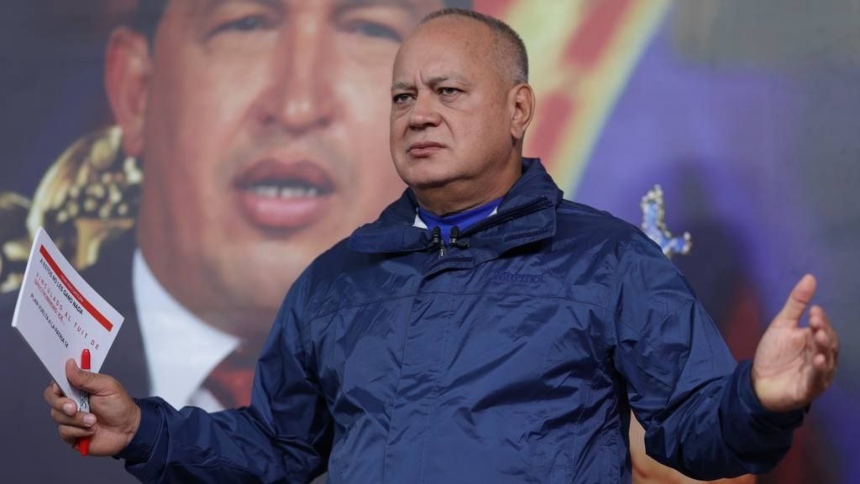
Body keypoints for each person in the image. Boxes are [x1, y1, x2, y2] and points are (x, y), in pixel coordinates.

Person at [44, 8, 839, 483]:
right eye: (403, 96)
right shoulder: (337, 278)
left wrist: (758, 396)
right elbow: (277, 449)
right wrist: (144, 431)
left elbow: (693, 434)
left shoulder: (610, 262)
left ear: (519, 109)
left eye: (448, 92)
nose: (418, 113)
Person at [1, 0, 465, 482]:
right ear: (136, 91)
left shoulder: (486, 370)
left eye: (370, 29)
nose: (297, 107)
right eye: (246, 23)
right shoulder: (10, 375)